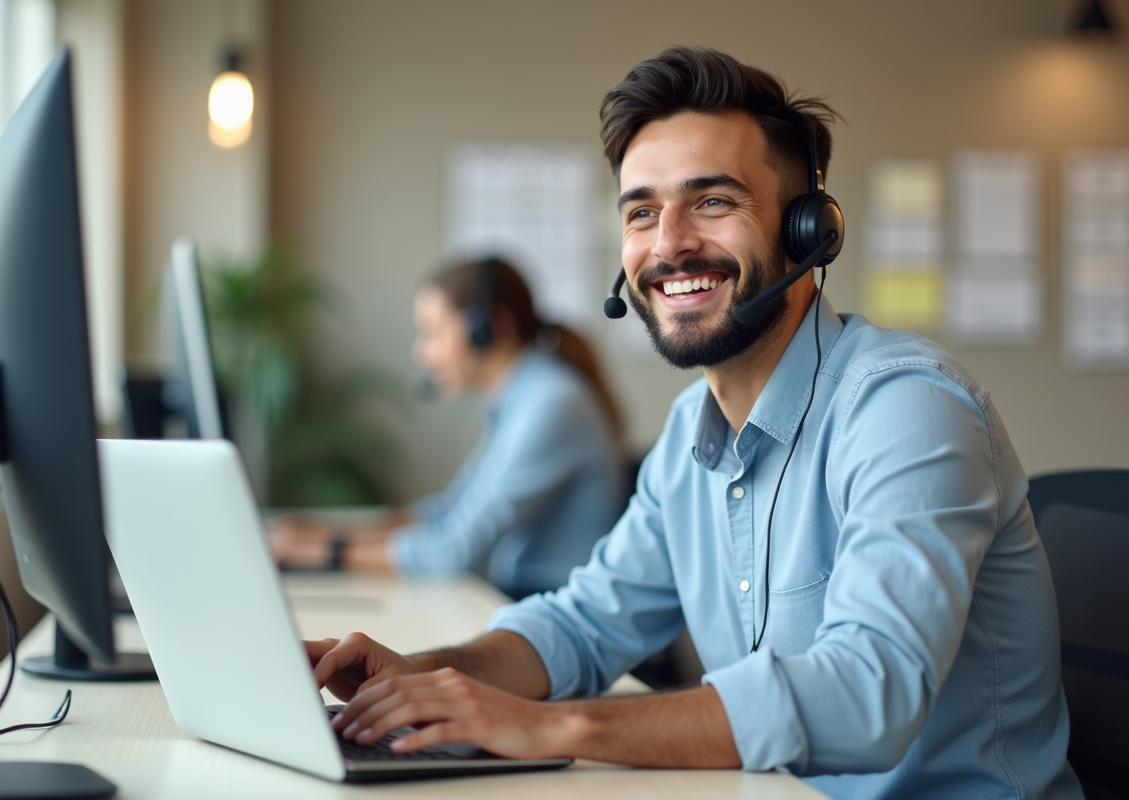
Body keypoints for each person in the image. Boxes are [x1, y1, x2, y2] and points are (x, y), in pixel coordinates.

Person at [303, 47, 1085, 799]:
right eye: (642, 212)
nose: (669, 243)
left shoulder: (907, 408)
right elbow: (583, 626)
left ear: (808, 230)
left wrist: (552, 726)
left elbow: (866, 694)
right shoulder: (689, 435)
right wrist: (424, 676)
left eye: (712, 201)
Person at [271, 257, 627, 599]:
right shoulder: (521, 400)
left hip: (556, 605)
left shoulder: (549, 404)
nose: (421, 353)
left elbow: (453, 550)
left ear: (486, 330)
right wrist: (328, 534)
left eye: (433, 333)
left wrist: (327, 551)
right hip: (530, 597)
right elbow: (445, 513)